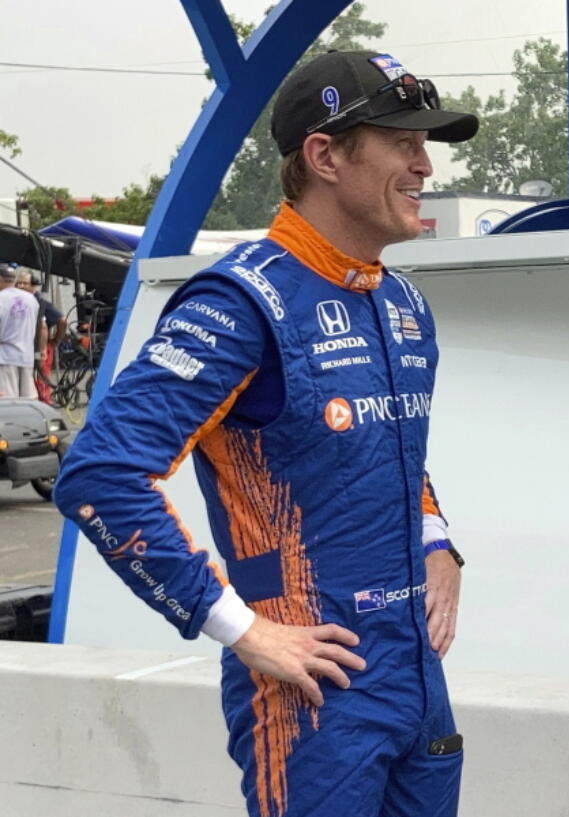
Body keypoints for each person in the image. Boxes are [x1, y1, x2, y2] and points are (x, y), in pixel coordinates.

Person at [54, 50, 478, 817]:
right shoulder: (241, 302)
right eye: (404, 141)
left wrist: (437, 536)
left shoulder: (404, 302)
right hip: (309, 697)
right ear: (324, 156)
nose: (425, 163)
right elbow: (100, 474)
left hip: (417, 679)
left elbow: (392, 450)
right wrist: (241, 628)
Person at [15, 269, 59, 403]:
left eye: (25, 283)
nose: (21, 286)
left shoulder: (40, 303)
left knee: (41, 384)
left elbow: (50, 325)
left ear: (33, 285)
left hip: (39, 349)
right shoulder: (19, 301)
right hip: (25, 349)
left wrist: (54, 342)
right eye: (19, 283)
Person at [0, 263, 40, 398]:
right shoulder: (32, 299)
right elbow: (39, 326)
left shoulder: (1, 298)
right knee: (28, 399)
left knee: (8, 400)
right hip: (26, 356)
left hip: (5, 357)